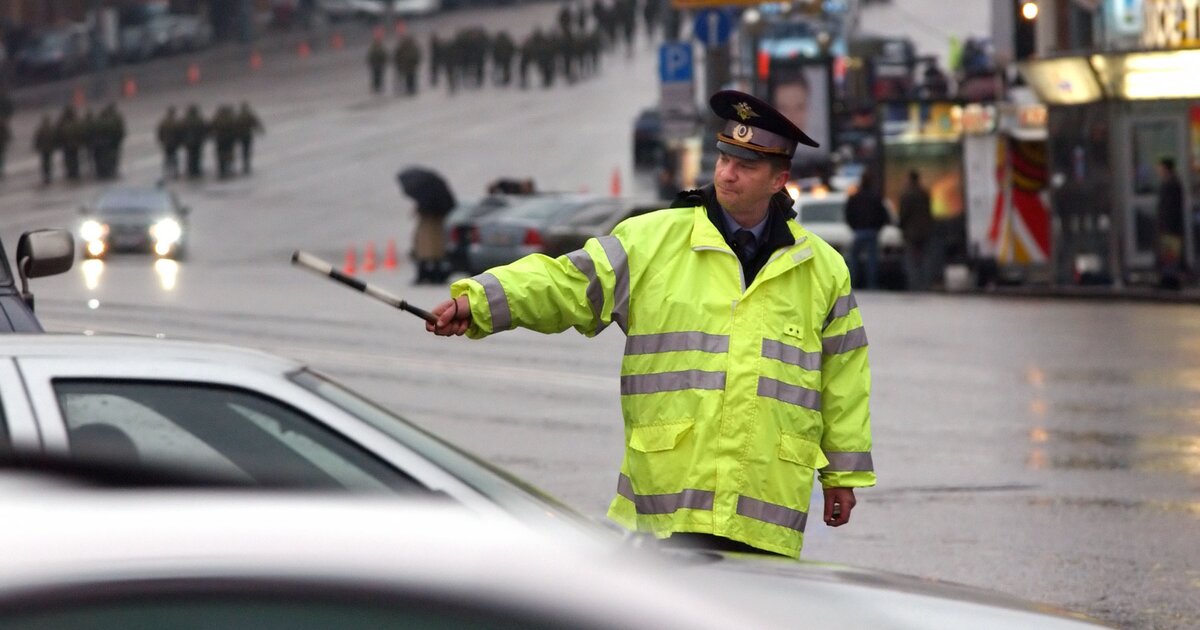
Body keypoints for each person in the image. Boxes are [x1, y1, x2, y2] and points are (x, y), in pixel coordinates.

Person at [425, 90, 875, 559]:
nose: (727, 172)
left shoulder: (822, 269)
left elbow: (845, 377)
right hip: (665, 506)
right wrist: (481, 301)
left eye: (747, 165)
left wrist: (842, 474)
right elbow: (565, 284)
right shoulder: (651, 240)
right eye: (724, 158)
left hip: (764, 516)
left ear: (779, 179)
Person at [898, 170, 935, 290]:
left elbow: (904, 214)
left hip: (910, 231)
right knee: (925, 258)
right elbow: (929, 212)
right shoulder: (924, 193)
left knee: (911, 259)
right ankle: (925, 283)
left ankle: (914, 284)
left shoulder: (907, 195)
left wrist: (901, 226)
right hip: (925, 231)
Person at [1156, 157, 1186, 289]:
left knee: (1170, 253)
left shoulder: (1172, 184)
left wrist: (1166, 224)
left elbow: (1170, 207)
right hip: (1168, 225)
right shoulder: (1169, 183)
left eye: (1161, 168)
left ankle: (1170, 279)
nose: (1159, 171)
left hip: (1171, 226)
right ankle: (1168, 277)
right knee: (1168, 253)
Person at [235, 102, 264, 175]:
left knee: (243, 150)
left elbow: (234, 125)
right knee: (247, 150)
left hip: (241, 136)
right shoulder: (250, 115)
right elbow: (256, 123)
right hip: (247, 135)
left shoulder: (238, 116)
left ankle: (245, 163)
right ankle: (246, 164)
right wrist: (260, 130)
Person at [157, 106, 182, 179]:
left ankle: (167, 172)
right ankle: (175, 172)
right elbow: (179, 133)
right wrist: (179, 141)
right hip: (174, 143)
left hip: (167, 143)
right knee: (174, 158)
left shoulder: (164, 122)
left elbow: (160, 133)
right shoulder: (176, 122)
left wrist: (162, 140)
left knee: (167, 158)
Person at [34, 114, 57, 185]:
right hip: (49, 148)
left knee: (45, 163)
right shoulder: (51, 129)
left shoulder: (40, 129)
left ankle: (46, 177)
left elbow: (37, 139)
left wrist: (37, 147)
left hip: (44, 149)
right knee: (48, 163)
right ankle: (48, 176)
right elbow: (54, 138)